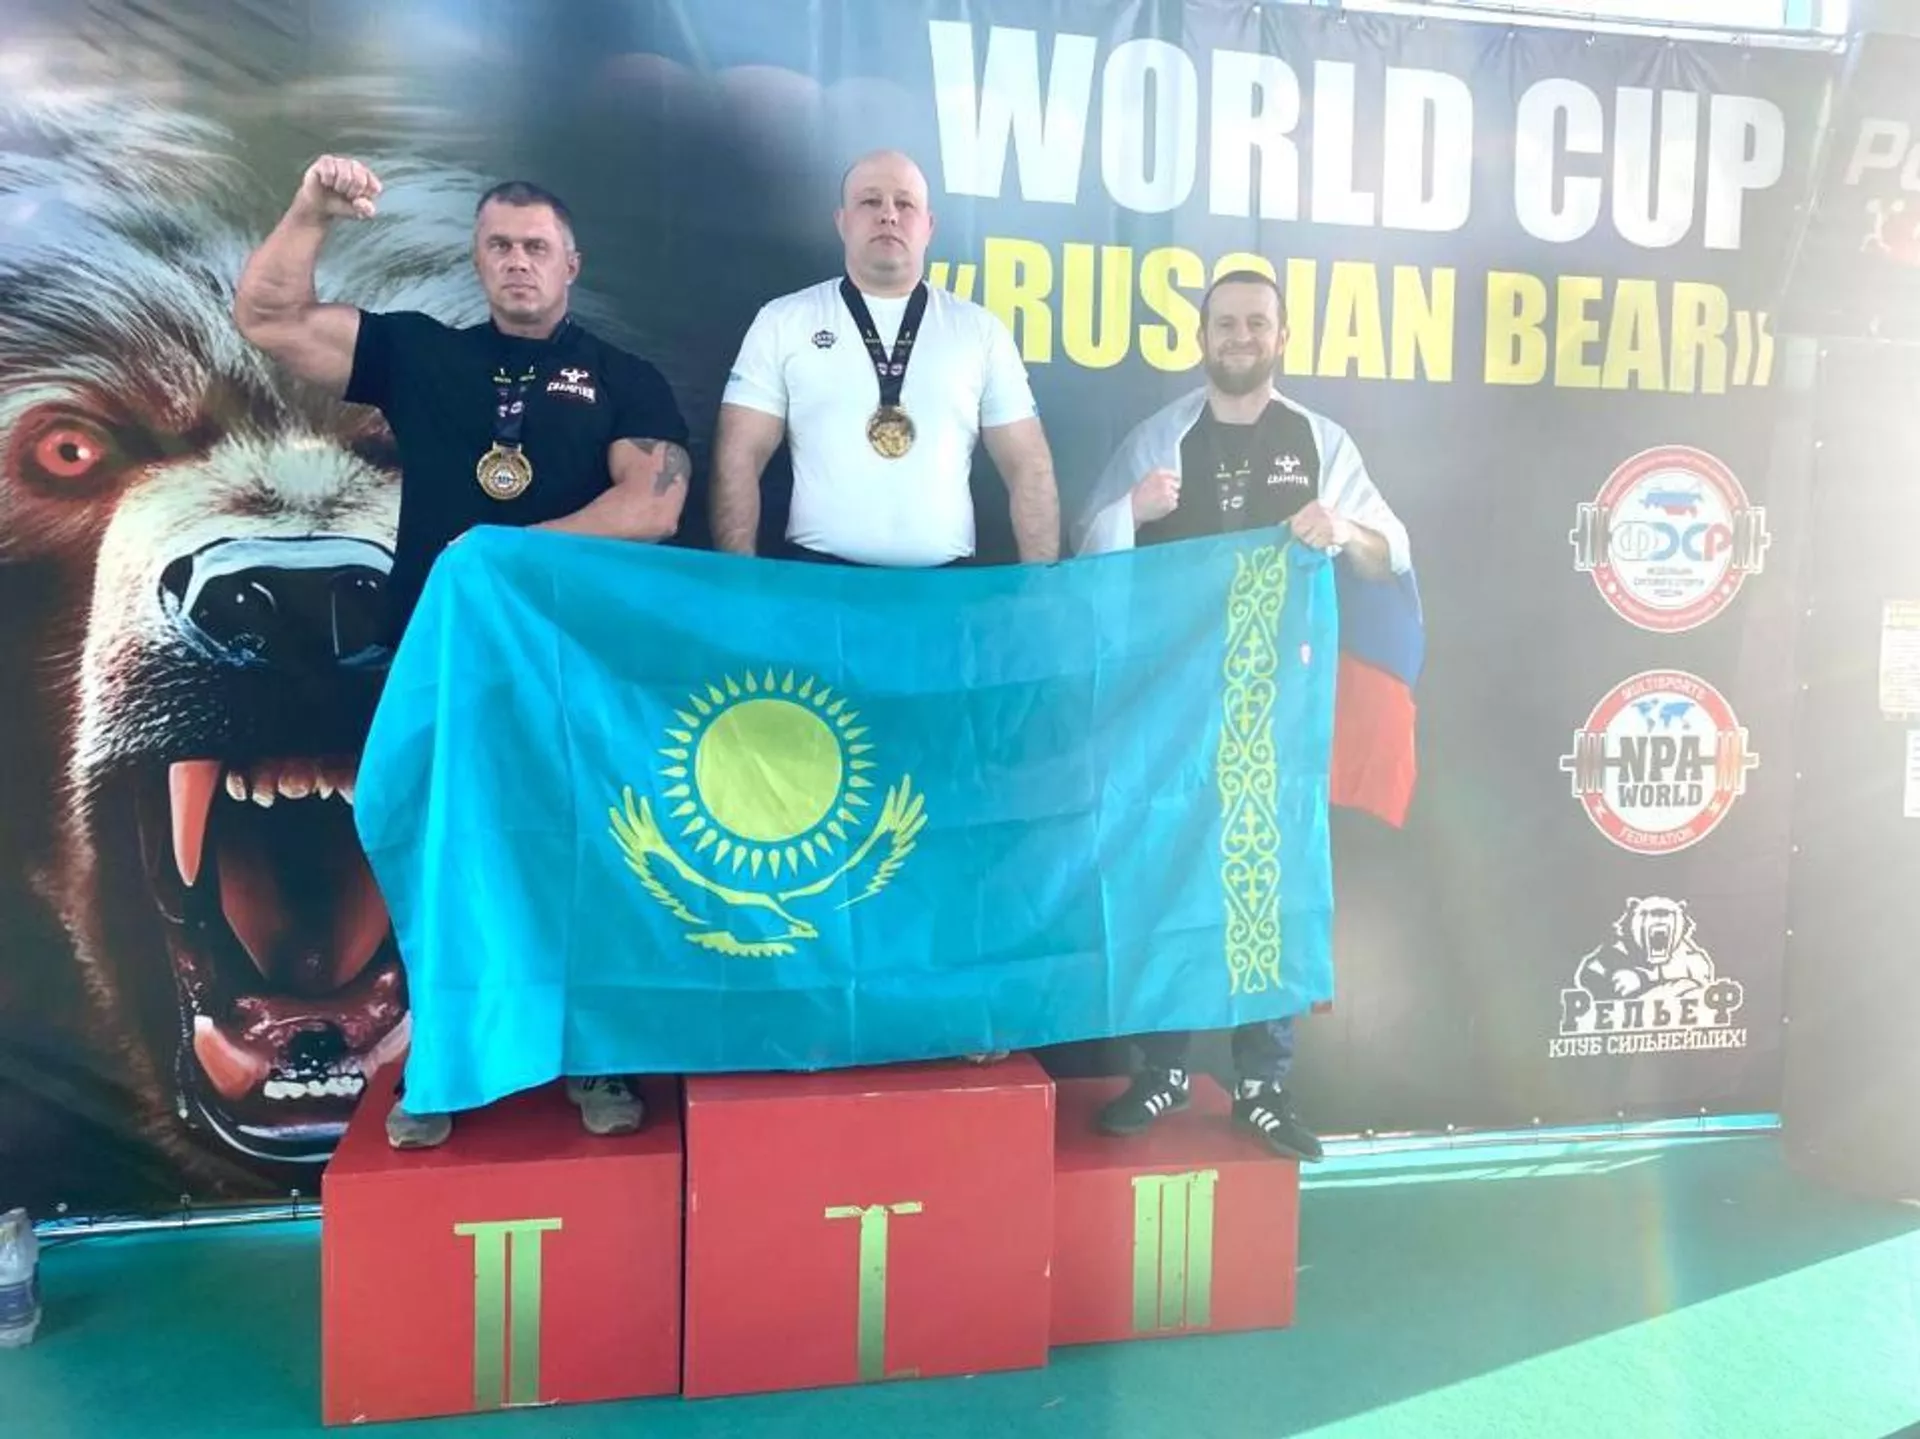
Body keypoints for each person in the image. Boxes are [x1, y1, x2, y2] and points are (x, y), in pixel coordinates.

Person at [232, 156, 692, 1149]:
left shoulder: (623, 378)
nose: (519, 262)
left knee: (583, 853)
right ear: (477, 260)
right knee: (440, 852)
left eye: (537, 247)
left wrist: (504, 554)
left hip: (571, 665)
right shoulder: (420, 353)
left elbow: (653, 505)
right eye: (500, 246)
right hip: (439, 659)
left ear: (571, 262)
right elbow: (268, 317)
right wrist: (310, 210)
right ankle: (439, 1059)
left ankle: (595, 1056)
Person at [1073, 268, 1413, 1161]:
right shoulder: (1162, 437)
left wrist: (1342, 529)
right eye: (1225, 323)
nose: (1240, 337)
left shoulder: (1320, 440)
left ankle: (1264, 1083)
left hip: (1278, 707)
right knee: (1168, 869)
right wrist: (1131, 511)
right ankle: (1162, 1068)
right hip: (1173, 704)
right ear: (1203, 337)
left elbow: (1389, 553)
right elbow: (1087, 548)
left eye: (1257, 323)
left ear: (1281, 336)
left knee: (1273, 879)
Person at [709, 149, 1060, 568]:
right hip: (820, 583)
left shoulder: (980, 332)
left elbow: (1029, 466)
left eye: (905, 204)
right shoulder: (783, 321)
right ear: (842, 221)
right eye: (870, 201)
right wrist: (738, 582)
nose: (888, 215)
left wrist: (1042, 586)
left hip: (942, 588)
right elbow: (737, 456)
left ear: (929, 226)